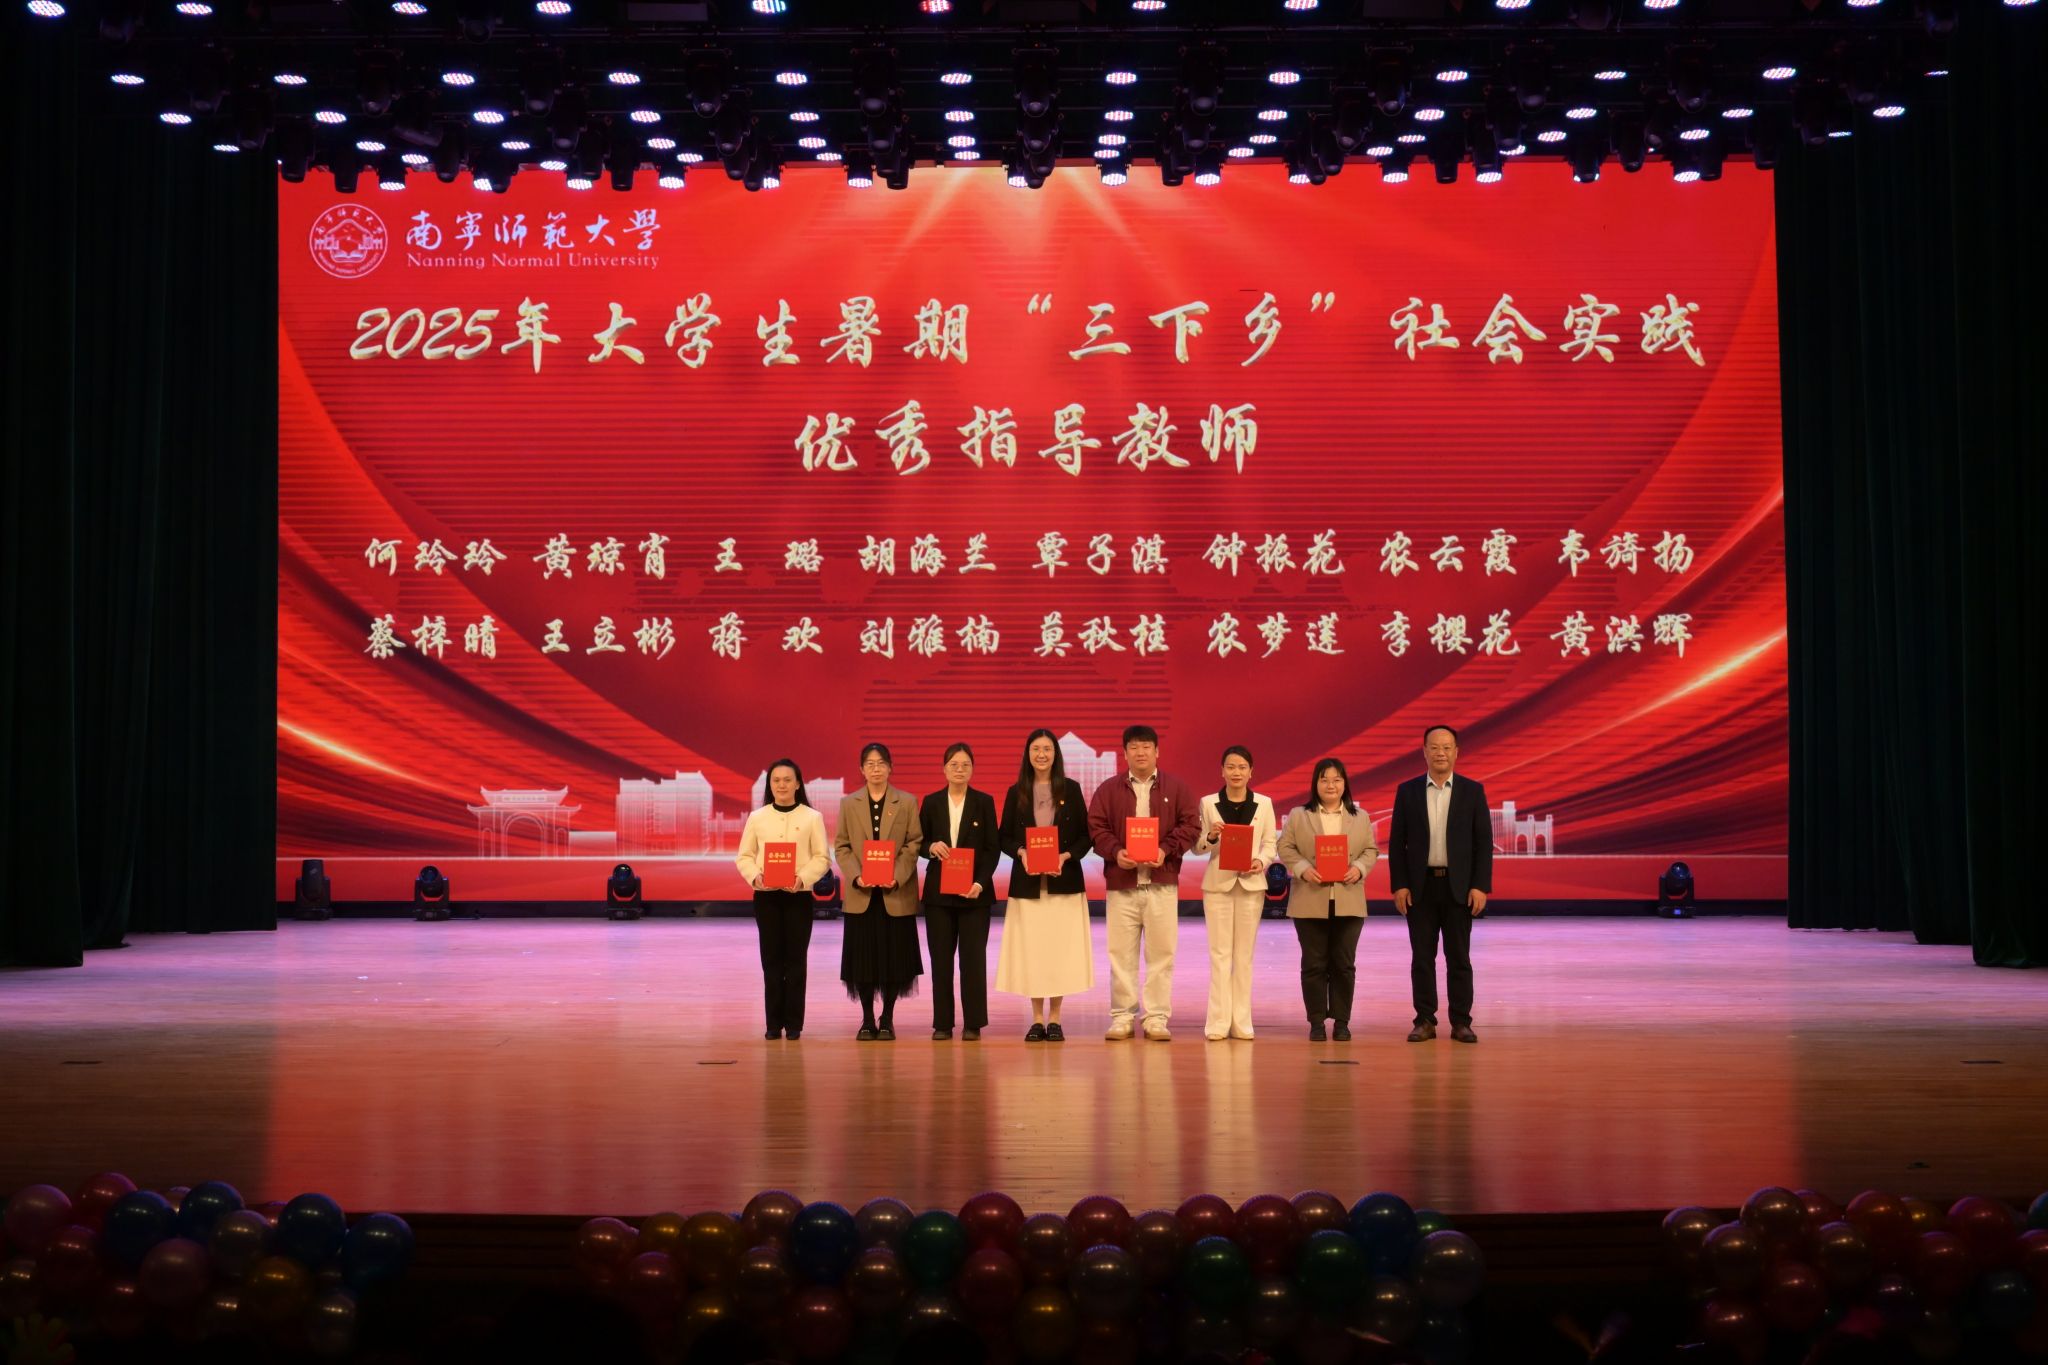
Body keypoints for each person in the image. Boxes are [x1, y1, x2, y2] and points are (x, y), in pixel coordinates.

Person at [1088, 725, 1201, 1041]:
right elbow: (1096, 827)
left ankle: (1156, 1017)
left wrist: (1165, 850)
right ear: (1124, 753)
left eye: (1146, 746)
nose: (1140, 752)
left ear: (1157, 751)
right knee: (1120, 954)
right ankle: (1122, 1017)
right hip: (1122, 884)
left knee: (1162, 954)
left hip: (1161, 883)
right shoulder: (1108, 790)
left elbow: (1191, 825)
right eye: (1134, 747)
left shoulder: (1176, 788)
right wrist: (1116, 852)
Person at [1387, 725, 1492, 1044]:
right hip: (1420, 889)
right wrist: (1400, 885)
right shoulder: (1408, 791)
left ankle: (1461, 1021)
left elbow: (1483, 844)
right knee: (1422, 958)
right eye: (1434, 747)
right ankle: (1424, 1020)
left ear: (1457, 752)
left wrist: (1480, 886)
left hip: (1459, 889)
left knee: (1459, 958)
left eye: (1447, 747)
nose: (1440, 753)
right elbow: (1397, 844)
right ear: (1424, 752)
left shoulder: (1472, 791)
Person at [995, 729, 1095, 1040]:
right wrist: (1021, 852)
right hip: (1028, 886)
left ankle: (1055, 1019)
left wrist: (1066, 856)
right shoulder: (1016, 792)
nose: (1041, 754)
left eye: (1047, 749)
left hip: (1063, 884)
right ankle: (1037, 1019)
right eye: (1036, 749)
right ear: (1028, 754)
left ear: (1056, 754)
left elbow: (1085, 837)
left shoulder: (1071, 789)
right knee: (1033, 953)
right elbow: (1004, 837)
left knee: (1058, 952)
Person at [1275, 757, 1380, 1042]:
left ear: (1345, 784)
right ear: (1315, 783)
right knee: (1313, 964)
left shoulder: (1360, 816)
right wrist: (1302, 869)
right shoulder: (1299, 815)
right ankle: (1317, 1021)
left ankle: (1342, 1022)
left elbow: (1370, 850)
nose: (1330, 785)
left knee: (1344, 964)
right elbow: (1285, 846)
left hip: (1349, 899)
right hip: (1309, 899)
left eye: (1336, 779)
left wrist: (1358, 868)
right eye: (1324, 779)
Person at [831, 742, 924, 1041]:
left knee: (894, 960)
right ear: (861, 769)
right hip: (862, 895)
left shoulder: (906, 802)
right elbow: (842, 846)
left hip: (894, 893)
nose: (875, 769)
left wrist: (896, 877)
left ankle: (887, 1018)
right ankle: (867, 1018)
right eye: (870, 764)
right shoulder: (849, 804)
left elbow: (914, 843)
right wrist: (857, 876)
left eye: (881, 763)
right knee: (864, 961)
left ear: (890, 767)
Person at [734, 759, 832, 1040]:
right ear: (769, 785)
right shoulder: (757, 818)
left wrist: (803, 878)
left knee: (796, 960)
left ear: (798, 784)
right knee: (771, 960)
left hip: (798, 897)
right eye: (776, 780)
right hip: (766, 898)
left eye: (787, 780)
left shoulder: (812, 817)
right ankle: (773, 1023)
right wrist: (755, 877)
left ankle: (794, 1024)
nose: (782, 785)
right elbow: (744, 856)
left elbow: (822, 857)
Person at [1193, 745, 1278, 1041]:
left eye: (1242, 767)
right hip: (1218, 885)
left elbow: (1270, 844)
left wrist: (1261, 861)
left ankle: (1242, 1021)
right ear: (1222, 771)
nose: (1236, 772)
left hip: (1251, 885)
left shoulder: (1264, 804)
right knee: (1219, 955)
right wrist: (1211, 836)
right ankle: (1217, 1022)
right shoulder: (1208, 803)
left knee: (1244, 956)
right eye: (1231, 766)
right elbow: (1197, 846)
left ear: (1251, 771)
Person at [918, 743, 999, 1041]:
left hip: (974, 894)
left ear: (972, 769)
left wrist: (980, 883)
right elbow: (918, 841)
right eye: (954, 764)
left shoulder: (984, 802)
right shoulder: (931, 802)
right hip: (939, 895)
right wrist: (930, 847)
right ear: (944, 769)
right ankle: (942, 1023)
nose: (959, 769)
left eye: (965, 765)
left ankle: (973, 1023)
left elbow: (992, 848)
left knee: (973, 961)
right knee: (941, 961)